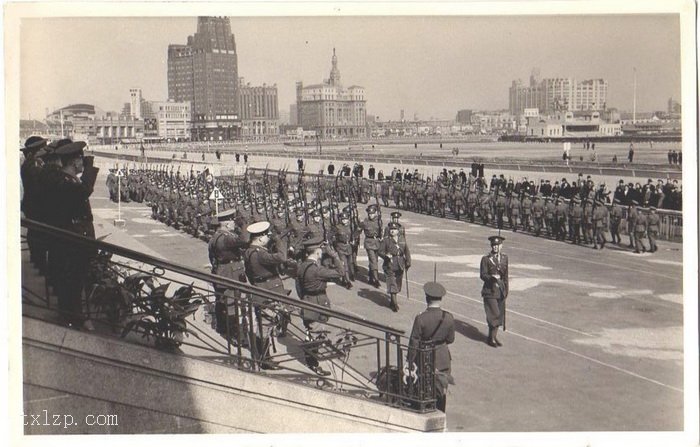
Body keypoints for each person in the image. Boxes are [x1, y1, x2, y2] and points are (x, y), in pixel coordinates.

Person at [51, 141, 99, 330]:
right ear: (74, 161)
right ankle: (74, 318)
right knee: (74, 279)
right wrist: (90, 169)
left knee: (75, 280)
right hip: (74, 239)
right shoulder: (66, 182)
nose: (82, 163)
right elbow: (84, 191)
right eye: (80, 159)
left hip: (74, 238)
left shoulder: (68, 180)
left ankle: (72, 315)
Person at [294, 235, 346, 376]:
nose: (322, 253)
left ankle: (311, 359)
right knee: (316, 335)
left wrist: (305, 298)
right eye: (321, 251)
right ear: (317, 252)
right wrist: (334, 255)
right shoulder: (316, 270)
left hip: (307, 301)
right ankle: (313, 364)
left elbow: (298, 287)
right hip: (316, 304)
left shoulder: (302, 266)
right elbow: (341, 272)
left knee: (311, 333)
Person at [243, 221, 289, 370]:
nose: (268, 238)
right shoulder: (259, 254)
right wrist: (279, 240)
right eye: (267, 236)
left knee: (265, 326)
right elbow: (282, 257)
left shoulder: (250, 251)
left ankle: (264, 357)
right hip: (268, 292)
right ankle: (264, 360)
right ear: (261, 238)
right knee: (266, 326)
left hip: (261, 289)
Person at [408, 282, 455, 413]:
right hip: (443, 357)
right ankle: (440, 413)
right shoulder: (449, 318)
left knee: (424, 385)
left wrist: (410, 361)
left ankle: (426, 411)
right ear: (440, 299)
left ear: (426, 298)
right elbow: (451, 339)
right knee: (441, 388)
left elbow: (414, 342)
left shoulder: (421, 318)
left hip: (425, 357)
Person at [208, 208, 249, 339]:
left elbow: (211, 257)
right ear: (226, 224)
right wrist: (244, 225)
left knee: (221, 301)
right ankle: (235, 336)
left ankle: (222, 328)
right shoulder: (225, 238)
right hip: (230, 274)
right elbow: (244, 240)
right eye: (232, 222)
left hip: (221, 271)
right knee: (232, 305)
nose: (234, 224)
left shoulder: (215, 237)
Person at [480, 235, 509, 347]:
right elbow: (482, 274)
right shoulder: (486, 259)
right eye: (493, 245)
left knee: (499, 314)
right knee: (494, 314)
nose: (495, 247)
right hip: (490, 290)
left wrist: (506, 290)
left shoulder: (504, 258)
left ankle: (492, 336)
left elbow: (505, 275)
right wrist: (491, 278)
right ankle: (491, 338)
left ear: (501, 246)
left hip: (500, 290)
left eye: (497, 245)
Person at [378, 222, 411, 312]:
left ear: (398, 231)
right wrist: (386, 256)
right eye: (391, 229)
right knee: (392, 283)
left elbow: (406, 251)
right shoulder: (386, 240)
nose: (392, 231)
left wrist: (408, 262)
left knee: (398, 284)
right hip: (389, 264)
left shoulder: (402, 239)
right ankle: (395, 304)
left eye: (395, 229)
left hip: (400, 264)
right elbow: (380, 251)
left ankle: (393, 300)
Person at [360, 204, 382, 287]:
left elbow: (381, 231)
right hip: (369, 242)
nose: (371, 215)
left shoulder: (379, 220)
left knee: (374, 261)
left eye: (372, 213)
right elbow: (358, 230)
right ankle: (376, 280)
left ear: (375, 213)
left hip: (377, 242)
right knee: (373, 260)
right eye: (369, 214)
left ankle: (370, 277)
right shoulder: (365, 222)